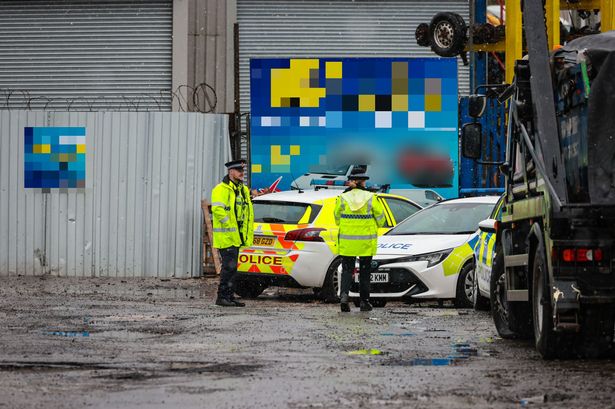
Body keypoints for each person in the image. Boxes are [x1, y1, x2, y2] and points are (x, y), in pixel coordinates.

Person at [333, 173, 386, 312]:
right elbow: (381, 219)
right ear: (362, 182)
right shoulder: (371, 197)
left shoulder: (343, 197)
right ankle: (364, 302)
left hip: (347, 241)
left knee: (347, 270)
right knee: (364, 272)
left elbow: (337, 217)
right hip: (366, 242)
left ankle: (344, 297)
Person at [211, 159, 254, 307]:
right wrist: (230, 226)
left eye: (242, 170)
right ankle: (222, 297)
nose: (242, 173)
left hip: (236, 237)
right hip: (226, 236)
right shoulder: (221, 189)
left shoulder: (241, 189)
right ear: (231, 172)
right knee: (228, 267)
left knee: (233, 268)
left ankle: (229, 296)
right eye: (239, 170)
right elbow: (217, 210)